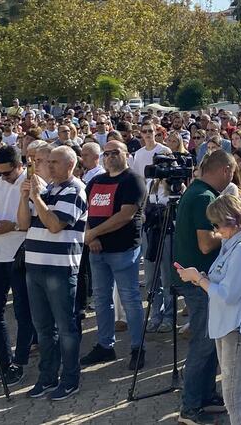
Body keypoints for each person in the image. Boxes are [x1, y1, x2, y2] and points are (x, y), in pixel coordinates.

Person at [177, 193, 241, 425]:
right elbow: (222, 280)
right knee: (236, 390)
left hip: (236, 327)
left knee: (232, 396)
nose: (215, 230)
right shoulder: (232, 244)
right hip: (226, 325)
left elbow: (228, 294)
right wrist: (203, 277)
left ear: (232, 220)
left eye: (217, 224)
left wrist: (198, 279)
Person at [17, 146, 88, 401]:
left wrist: (36, 198)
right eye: (47, 162)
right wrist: (24, 196)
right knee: (43, 328)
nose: (48, 166)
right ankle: (47, 377)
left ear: (69, 165)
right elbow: (23, 223)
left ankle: (70, 379)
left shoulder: (75, 190)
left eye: (53, 162)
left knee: (66, 328)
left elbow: (55, 225)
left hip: (59, 269)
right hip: (34, 266)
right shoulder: (48, 190)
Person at [173, 149, 236, 425]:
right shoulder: (204, 197)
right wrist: (231, 234)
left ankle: (206, 396)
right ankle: (190, 408)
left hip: (197, 278)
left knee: (210, 341)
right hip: (198, 281)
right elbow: (205, 243)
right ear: (224, 170)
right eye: (232, 173)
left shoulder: (196, 191)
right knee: (203, 343)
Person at [79, 140, 149, 370]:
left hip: (123, 250)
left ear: (126, 154)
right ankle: (105, 345)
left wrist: (92, 234)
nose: (109, 157)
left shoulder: (133, 181)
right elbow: (87, 211)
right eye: (106, 154)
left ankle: (138, 347)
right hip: (97, 250)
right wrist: (93, 237)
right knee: (101, 299)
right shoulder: (96, 181)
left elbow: (125, 215)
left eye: (114, 152)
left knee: (130, 299)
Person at [0, 146, 33, 386]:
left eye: (7, 173)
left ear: (19, 166)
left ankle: (19, 362)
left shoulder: (31, 184)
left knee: (23, 313)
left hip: (19, 255)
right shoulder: (0, 183)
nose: (3, 177)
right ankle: (3, 360)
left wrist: (11, 226)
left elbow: (31, 221)